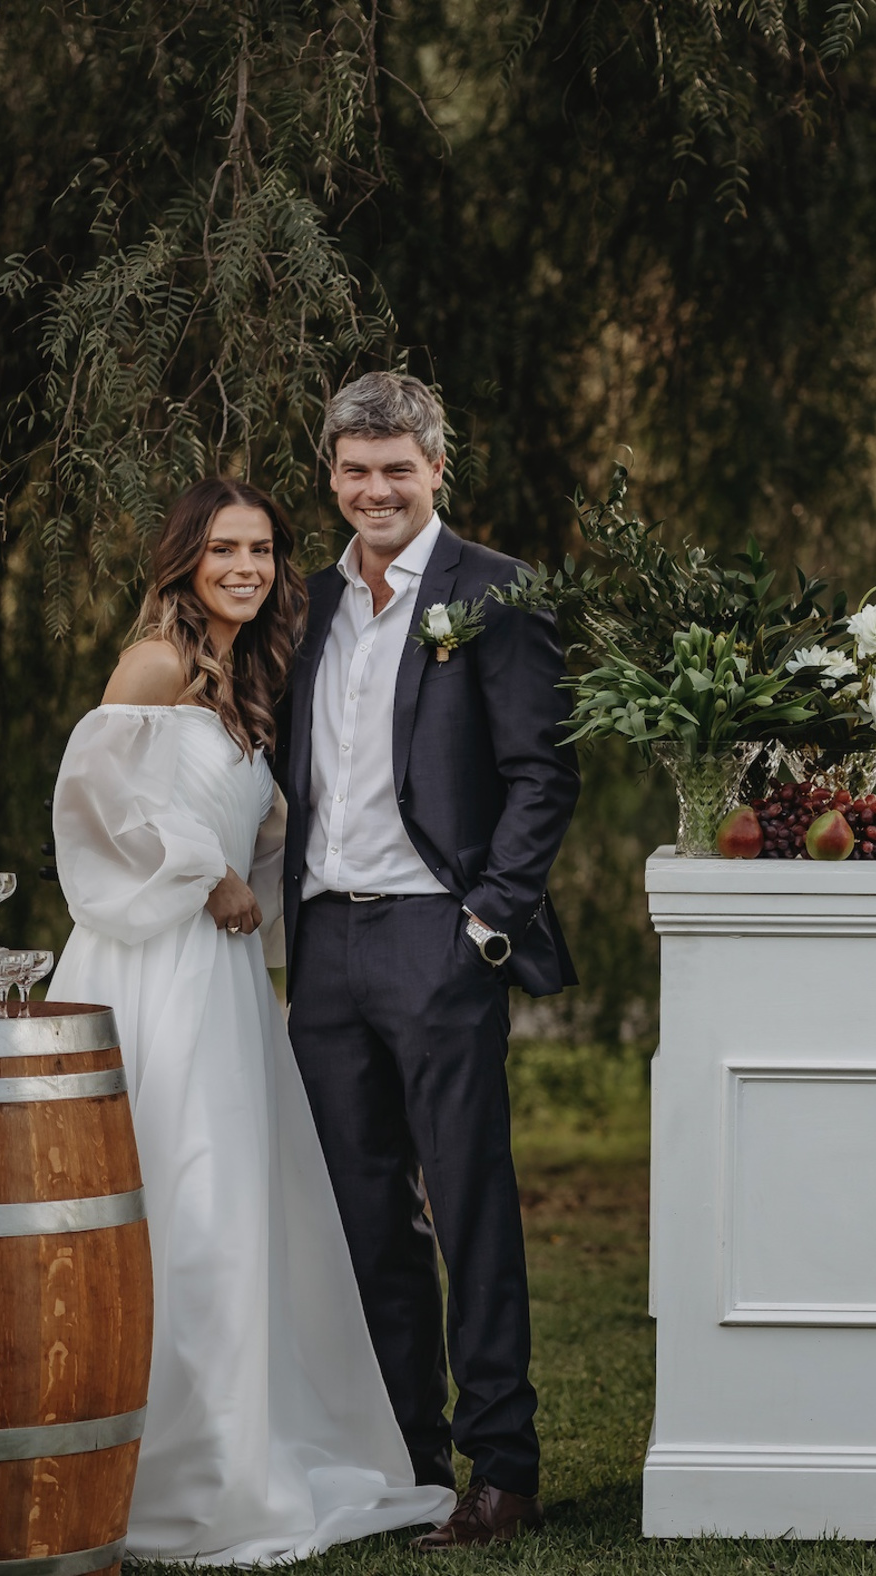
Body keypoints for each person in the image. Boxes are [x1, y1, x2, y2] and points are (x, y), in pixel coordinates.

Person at [47, 477, 454, 1563]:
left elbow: (248, 821)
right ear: (184, 558)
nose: (246, 566)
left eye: (264, 548)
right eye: (224, 547)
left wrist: (269, 865)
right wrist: (204, 874)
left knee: (236, 1197)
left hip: (223, 975)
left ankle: (236, 1442)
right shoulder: (155, 661)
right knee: (176, 1189)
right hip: (153, 965)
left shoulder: (247, 676)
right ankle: (171, 1465)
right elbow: (97, 803)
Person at [278, 372, 580, 1549]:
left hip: (434, 937)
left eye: (397, 468)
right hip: (325, 944)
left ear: (437, 470)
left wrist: (486, 925)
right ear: (333, 475)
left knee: (468, 1203)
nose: (375, 490)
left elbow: (544, 774)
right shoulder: (305, 604)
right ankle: (404, 1459)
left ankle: (501, 1464)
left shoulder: (492, 593)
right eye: (355, 469)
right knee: (362, 1215)